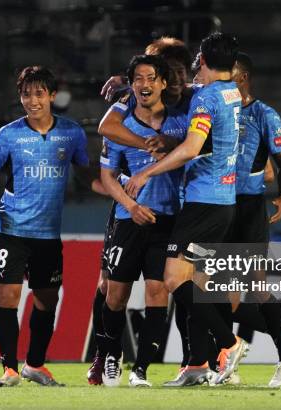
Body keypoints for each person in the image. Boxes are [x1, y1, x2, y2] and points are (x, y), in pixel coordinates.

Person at [125, 32, 248, 387]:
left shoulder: (207, 98)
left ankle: (229, 343)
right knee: (197, 283)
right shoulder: (231, 93)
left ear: (204, 61)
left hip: (203, 202)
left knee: (174, 278)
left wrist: (146, 171)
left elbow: (193, 147)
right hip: (224, 202)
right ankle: (197, 365)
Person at [0, 66, 101, 387]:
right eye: (26, 94)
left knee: (47, 299)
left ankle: (35, 365)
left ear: (52, 95)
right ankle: (9, 368)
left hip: (47, 234)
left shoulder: (71, 134)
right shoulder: (7, 135)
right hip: (11, 229)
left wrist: (117, 191)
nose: (33, 101)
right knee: (9, 297)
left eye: (39, 93)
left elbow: (88, 175)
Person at [87, 36, 194, 385]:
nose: (147, 83)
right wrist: (130, 205)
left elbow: (194, 149)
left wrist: (172, 146)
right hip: (127, 218)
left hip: (169, 219)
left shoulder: (185, 115)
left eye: (157, 75)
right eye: (140, 77)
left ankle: (143, 369)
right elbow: (106, 174)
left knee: (158, 291)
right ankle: (108, 354)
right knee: (112, 292)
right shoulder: (123, 113)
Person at [227, 52, 281, 387]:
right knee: (217, 291)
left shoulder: (263, 114)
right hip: (217, 206)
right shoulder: (215, 110)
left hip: (249, 207)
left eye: (227, 75)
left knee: (256, 286)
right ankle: (226, 362)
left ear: (241, 77)